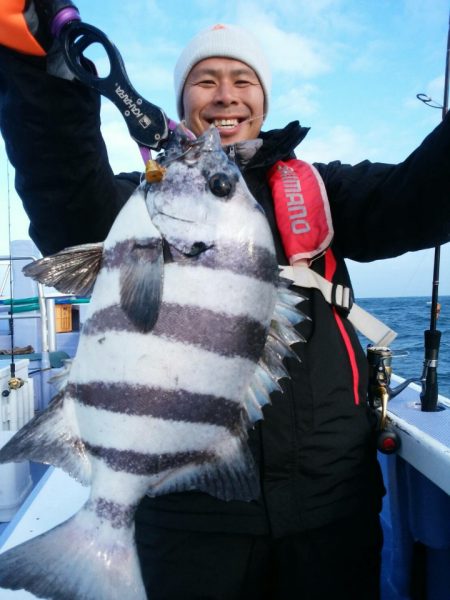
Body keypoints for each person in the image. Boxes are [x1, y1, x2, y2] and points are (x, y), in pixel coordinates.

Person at [1, 5, 450, 600]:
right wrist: (40, 66)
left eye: (243, 81)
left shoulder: (320, 192)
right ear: (183, 99)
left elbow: (419, 199)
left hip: (331, 502)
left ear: (263, 101)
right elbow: (63, 187)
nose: (225, 96)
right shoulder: (142, 209)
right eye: (205, 81)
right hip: (187, 516)